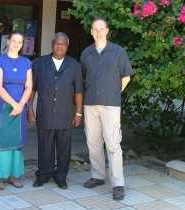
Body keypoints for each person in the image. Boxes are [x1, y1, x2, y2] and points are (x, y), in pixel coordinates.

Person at [80, 18, 134, 200]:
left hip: (110, 105)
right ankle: (97, 176)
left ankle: (118, 183)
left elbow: (126, 76)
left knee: (113, 144)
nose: (99, 32)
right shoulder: (86, 53)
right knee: (93, 142)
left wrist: (113, 92)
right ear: (91, 32)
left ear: (107, 31)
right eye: (95, 29)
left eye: (102, 29)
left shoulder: (118, 51)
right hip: (90, 104)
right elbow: (83, 78)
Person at [28, 32, 83, 189]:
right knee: (44, 146)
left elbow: (78, 91)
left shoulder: (74, 65)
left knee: (64, 148)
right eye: (57, 43)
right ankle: (44, 175)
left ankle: (61, 177)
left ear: (67, 46)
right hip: (44, 112)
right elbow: (32, 89)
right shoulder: (40, 63)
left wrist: (78, 113)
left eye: (63, 44)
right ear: (52, 44)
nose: (60, 46)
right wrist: (30, 108)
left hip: (65, 114)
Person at [0, 30, 32, 190]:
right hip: (2, 107)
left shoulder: (26, 62)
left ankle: (12, 176)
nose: (16, 44)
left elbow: (29, 86)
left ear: (22, 44)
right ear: (8, 41)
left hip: (19, 107)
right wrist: (15, 104)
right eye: (14, 41)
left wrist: (21, 105)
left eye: (20, 42)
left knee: (15, 142)